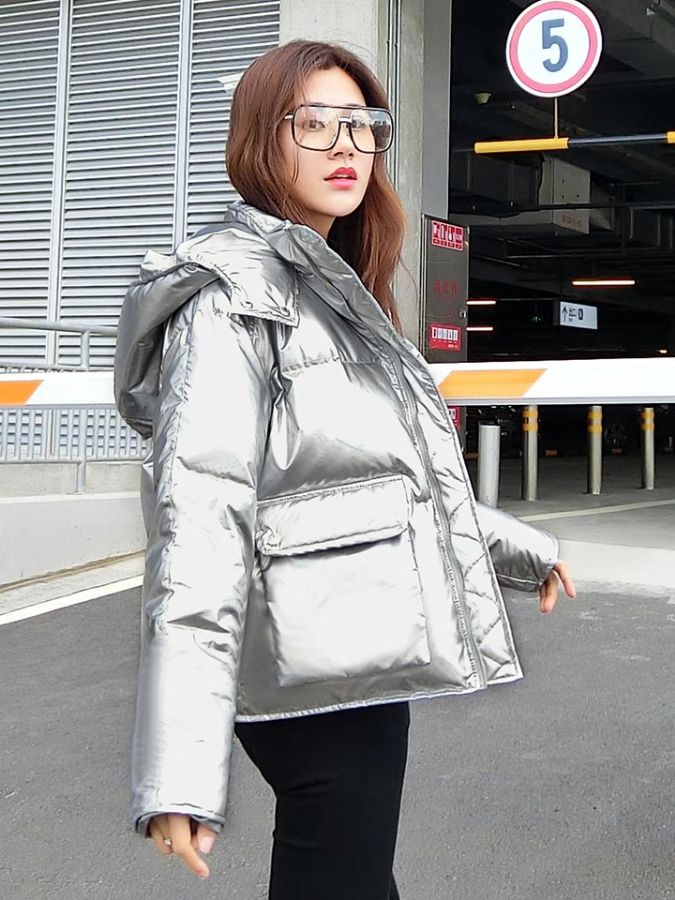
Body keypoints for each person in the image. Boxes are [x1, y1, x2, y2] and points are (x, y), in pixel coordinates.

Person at [114, 39, 575, 900]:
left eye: (363, 126)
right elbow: (198, 527)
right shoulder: (233, 301)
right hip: (306, 662)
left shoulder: (326, 289)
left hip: (349, 644)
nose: (346, 146)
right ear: (261, 139)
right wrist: (177, 768)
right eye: (314, 123)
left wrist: (519, 549)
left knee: (353, 874)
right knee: (341, 876)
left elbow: (382, 485)